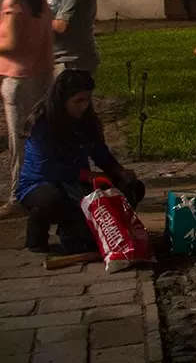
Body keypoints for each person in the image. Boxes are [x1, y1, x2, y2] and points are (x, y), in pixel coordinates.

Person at [16, 71, 144, 253]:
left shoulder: (86, 121)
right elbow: (46, 167)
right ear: (63, 99)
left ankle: (112, 228)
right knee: (53, 199)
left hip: (78, 183)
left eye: (87, 100)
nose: (83, 106)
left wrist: (118, 171)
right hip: (41, 183)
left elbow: (99, 152)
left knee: (131, 186)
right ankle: (40, 231)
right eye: (78, 101)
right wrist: (86, 175)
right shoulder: (42, 123)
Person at [1, 0, 53, 218]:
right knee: (38, 139)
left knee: (18, 144)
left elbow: (10, 43)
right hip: (40, 77)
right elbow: (47, 46)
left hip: (18, 81)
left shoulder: (14, 3)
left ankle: (17, 196)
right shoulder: (41, 3)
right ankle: (39, 188)